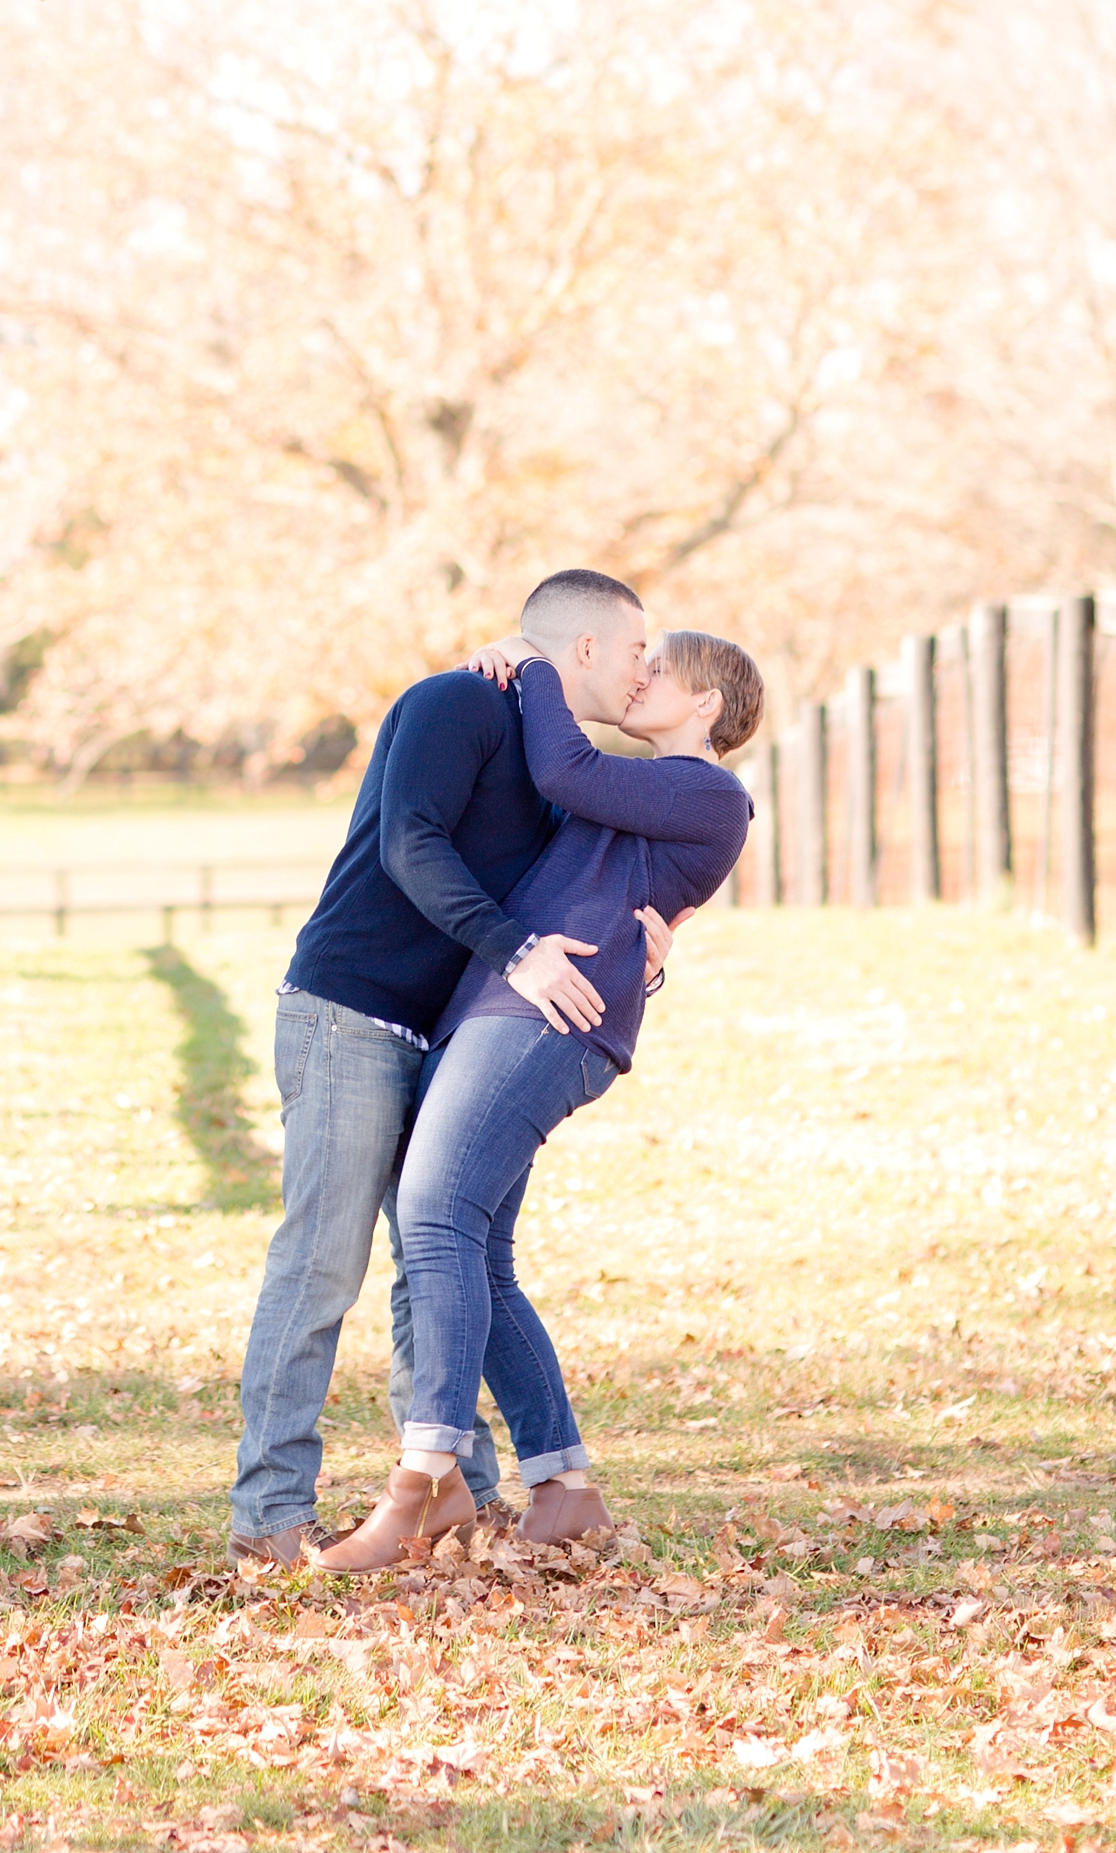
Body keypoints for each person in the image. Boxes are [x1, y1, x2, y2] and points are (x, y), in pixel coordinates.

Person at [228, 567, 664, 1568]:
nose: (646, 671)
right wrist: (515, 951)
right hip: (350, 1011)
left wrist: (654, 932)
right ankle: (269, 1513)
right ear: (584, 649)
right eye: (638, 650)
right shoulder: (455, 701)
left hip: (448, 1034)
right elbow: (406, 844)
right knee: (322, 1261)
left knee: (439, 1253)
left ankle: (452, 1496)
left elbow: (594, 881)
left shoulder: (565, 770)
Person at [312, 627, 762, 1573]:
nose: (638, 676)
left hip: (553, 1019)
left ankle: (418, 1488)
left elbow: (559, 769)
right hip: (501, 1005)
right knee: (477, 1248)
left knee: (435, 1215)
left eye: (658, 667)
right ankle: (563, 1488)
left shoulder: (712, 792)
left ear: (707, 703)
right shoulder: (637, 787)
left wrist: (536, 665)